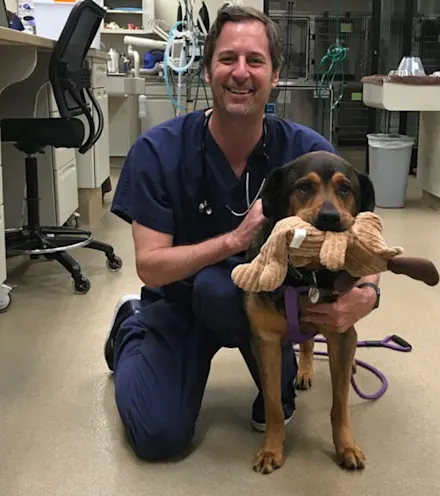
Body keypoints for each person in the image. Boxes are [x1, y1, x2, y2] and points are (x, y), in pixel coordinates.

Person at [104, 4, 380, 462]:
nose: (240, 73)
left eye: (255, 61)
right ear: (207, 67)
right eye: (227, 58)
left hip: (277, 301)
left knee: (226, 292)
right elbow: (151, 266)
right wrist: (232, 242)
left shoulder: (310, 154)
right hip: (178, 302)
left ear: (274, 76)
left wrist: (366, 293)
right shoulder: (158, 150)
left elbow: (361, 237)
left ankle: (277, 378)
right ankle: (128, 327)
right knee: (159, 437)